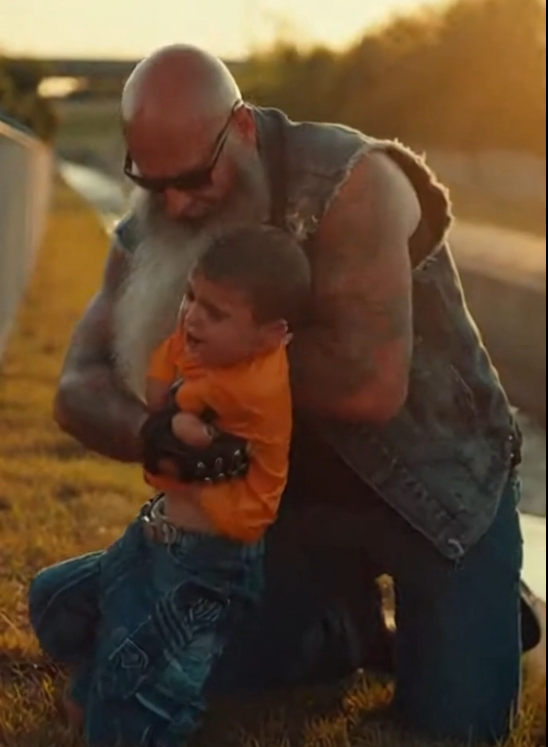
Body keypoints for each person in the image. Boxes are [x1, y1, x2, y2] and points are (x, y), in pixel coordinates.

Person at [28, 44, 539, 746]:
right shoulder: (165, 205)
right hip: (285, 506)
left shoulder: (352, 180)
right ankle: (343, 625)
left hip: (435, 495)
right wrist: (155, 437)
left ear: (240, 128)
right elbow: (78, 383)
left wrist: (218, 367)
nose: (176, 203)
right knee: (164, 665)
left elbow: (369, 385)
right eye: (152, 181)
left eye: (193, 178)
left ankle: (489, 596)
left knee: (462, 725)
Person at [31, 224, 311, 745]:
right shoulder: (215, 347)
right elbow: (165, 380)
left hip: (205, 566)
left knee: (123, 726)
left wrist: (172, 424)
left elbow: (174, 420)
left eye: (215, 312)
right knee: (55, 602)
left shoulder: (250, 387)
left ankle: (153, 706)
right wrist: (166, 418)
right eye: (191, 296)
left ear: (272, 336)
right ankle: (107, 677)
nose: (192, 316)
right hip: (155, 537)